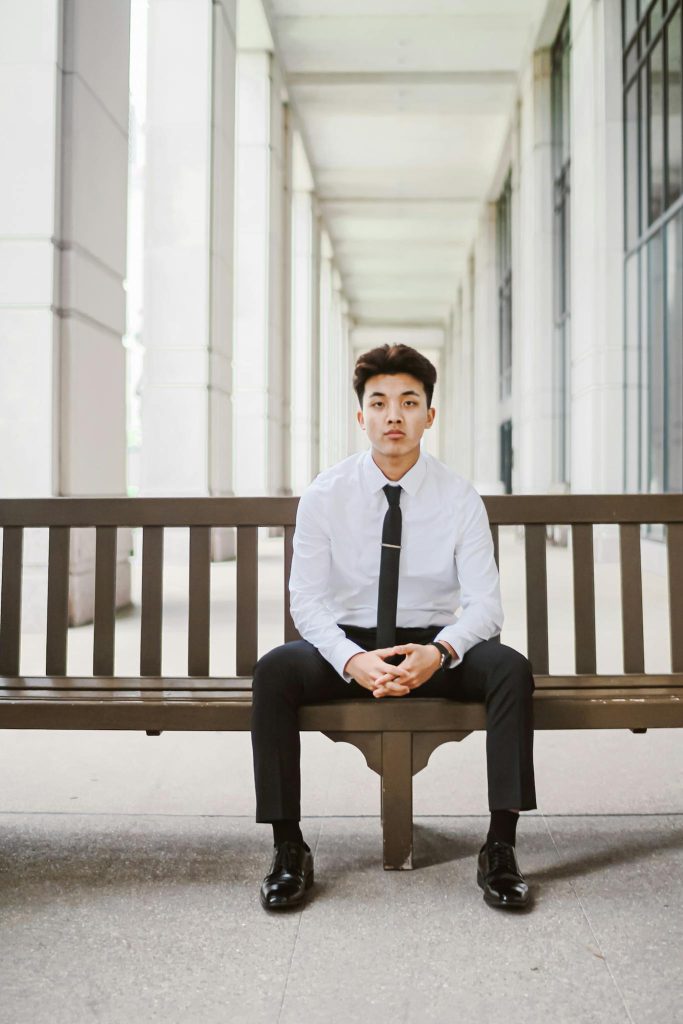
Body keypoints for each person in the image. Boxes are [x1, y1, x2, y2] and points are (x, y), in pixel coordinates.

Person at [251, 344, 536, 912]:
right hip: (348, 644)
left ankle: (500, 846)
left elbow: (486, 605)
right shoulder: (326, 494)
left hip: (430, 645)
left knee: (510, 668)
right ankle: (289, 846)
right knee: (275, 671)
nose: (394, 416)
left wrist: (440, 651)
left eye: (409, 402)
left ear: (430, 414)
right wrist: (352, 660)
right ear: (361, 417)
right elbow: (305, 602)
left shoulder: (459, 498)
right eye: (379, 403)